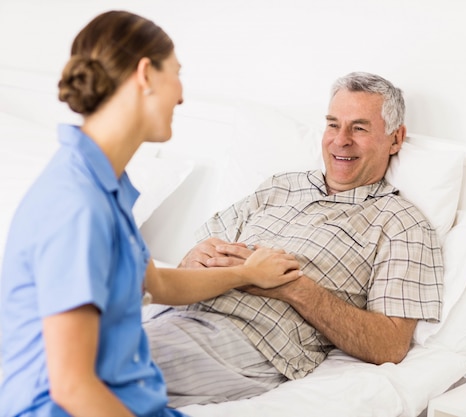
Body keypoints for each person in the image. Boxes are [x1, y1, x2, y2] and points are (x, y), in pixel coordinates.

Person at [0, 10, 301, 417]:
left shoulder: (105, 187)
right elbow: (72, 387)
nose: (181, 95)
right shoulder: (77, 205)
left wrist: (245, 274)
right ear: (145, 74)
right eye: (176, 74)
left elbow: (155, 283)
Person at [144, 71, 444, 408]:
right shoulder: (281, 186)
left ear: (394, 138)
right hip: (173, 313)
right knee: (81, 339)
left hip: (248, 340)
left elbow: (389, 345)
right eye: (333, 124)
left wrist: (289, 287)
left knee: (95, 363)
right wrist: (194, 259)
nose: (340, 140)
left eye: (359, 128)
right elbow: (192, 261)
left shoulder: (401, 223)